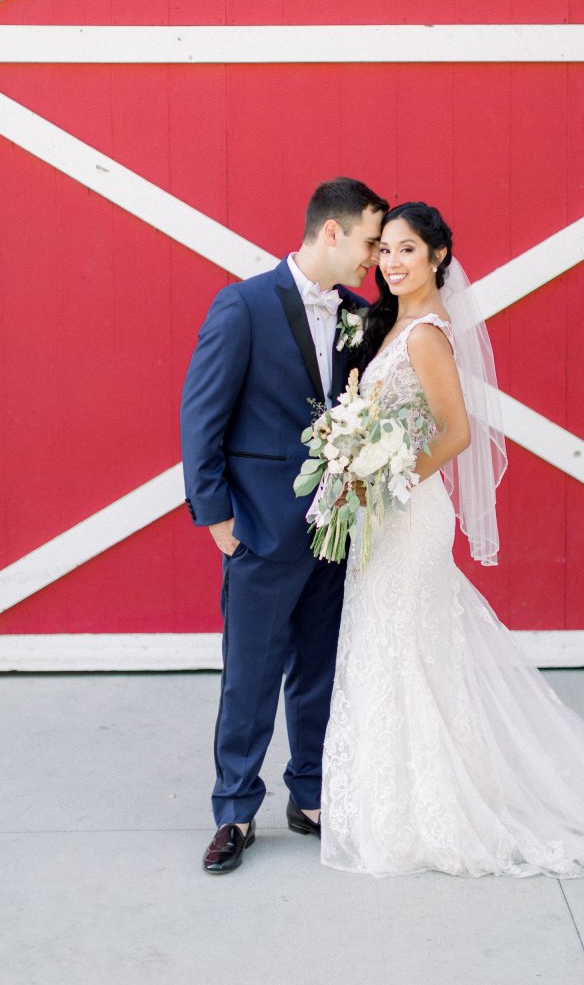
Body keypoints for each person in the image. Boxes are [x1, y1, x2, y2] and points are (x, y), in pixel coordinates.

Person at [320, 200, 584, 878]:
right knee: (395, 647)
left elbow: (456, 432)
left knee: (407, 647)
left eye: (407, 250)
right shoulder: (393, 326)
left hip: (409, 515)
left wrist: (384, 482)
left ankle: (437, 808)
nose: (391, 263)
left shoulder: (426, 335)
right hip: (385, 518)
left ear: (438, 257)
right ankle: (397, 802)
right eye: (384, 250)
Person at [181, 176, 388, 874]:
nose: (374, 258)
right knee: (251, 675)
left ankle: (311, 796)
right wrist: (217, 518)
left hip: (337, 530)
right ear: (331, 232)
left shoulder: (358, 315)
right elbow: (201, 417)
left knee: (319, 671)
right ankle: (235, 810)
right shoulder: (242, 306)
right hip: (261, 529)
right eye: (369, 243)